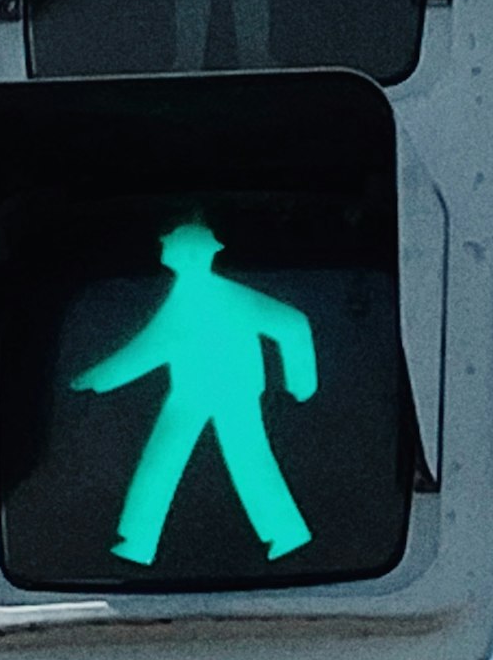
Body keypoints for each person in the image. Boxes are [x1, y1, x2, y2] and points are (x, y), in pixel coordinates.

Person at [73, 218, 319, 564]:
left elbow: (292, 323)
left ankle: (139, 540)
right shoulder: (190, 295)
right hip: (196, 392)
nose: (164, 246)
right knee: (174, 462)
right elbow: (151, 348)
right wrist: (98, 379)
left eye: (170, 241)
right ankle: (138, 540)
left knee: (220, 462)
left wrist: (301, 381)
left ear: (188, 253)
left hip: (227, 392)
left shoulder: (212, 295)